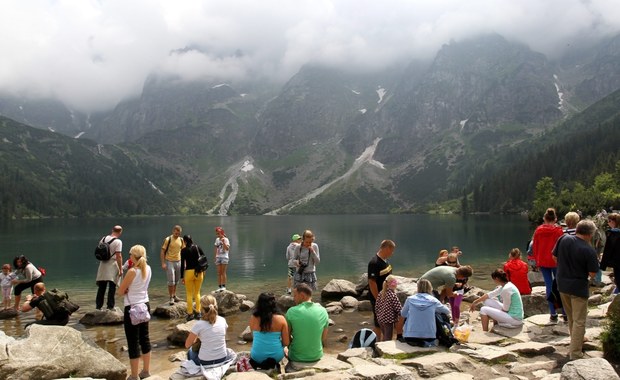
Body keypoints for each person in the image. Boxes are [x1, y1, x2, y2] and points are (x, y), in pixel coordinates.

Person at [553, 220, 600, 360]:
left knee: (571, 316)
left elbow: (554, 257)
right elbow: (592, 273)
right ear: (590, 234)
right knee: (579, 320)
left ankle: (577, 340)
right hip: (578, 287)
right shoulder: (589, 250)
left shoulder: (563, 239)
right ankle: (575, 353)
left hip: (562, 284)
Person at [118, 245, 152, 380]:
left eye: (130, 254)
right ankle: (146, 371)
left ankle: (134, 375)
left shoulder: (132, 271)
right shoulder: (148, 268)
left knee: (133, 341)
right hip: (145, 305)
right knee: (145, 338)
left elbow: (120, 291)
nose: (129, 256)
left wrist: (125, 290)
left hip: (132, 308)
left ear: (134, 256)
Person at [532, 207, 564, 322]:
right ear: (555, 219)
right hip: (556, 261)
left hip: (543, 261)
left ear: (544, 218)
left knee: (549, 285)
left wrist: (536, 260)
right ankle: (564, 313)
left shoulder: (538, 230)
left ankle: (553, 313)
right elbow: (561, 247)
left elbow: (534, 247)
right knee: (560, 285)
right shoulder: (559, 231)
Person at [285, 283, 329, 363]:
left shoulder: (292, 311)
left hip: (296, 357)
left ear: (302, 296)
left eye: (295, 295)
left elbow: (286, 338)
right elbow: (323, 337)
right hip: (317, 355)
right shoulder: (323, 311)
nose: (293, 299)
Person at [401, 279, 450, 347]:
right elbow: (447, 311)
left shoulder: (410, 299)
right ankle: (441, 336)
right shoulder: (434, 300)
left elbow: (403, 314)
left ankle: (410, 332)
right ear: (430, 288)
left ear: (418, 288)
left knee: (409, 313)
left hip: (410, 337)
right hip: (429, 337)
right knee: (440, 315)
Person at [185, 295, 230, 365]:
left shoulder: (199, 324)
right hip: (222, 358)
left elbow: (187, 345)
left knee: (190, 351)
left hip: (205, 361)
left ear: (202, 309)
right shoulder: (222, 320)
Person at [249, 292, 290, 369]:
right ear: (274, 303)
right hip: (276, 357)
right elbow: (286, 342)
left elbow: (254, 337)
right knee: (284, 348)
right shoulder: (281, 319)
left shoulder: (253, 318)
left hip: (256, 356)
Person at [367, 239, 395, 339]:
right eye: (392, 250)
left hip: (388, 297)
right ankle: (378, 343)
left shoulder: (386, 261)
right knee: (378, 322)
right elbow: (372, 282)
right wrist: (378, 298)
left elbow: (389, 277)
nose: (392, 253)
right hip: (379, 298)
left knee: (387, 321)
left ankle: (385, 341)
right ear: (387, 248)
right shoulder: (374, 263)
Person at [96, 225, 123, 311]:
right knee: (112, 287)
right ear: (120, 232)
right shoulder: (118, 242)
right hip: (112, 264)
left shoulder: (103, 239)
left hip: (103, 264)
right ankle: (110, 306)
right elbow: (119, 256)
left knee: (101, 287)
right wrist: (121, 269)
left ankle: (98, 306)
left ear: (112, 230)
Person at [180, 235, 205, 321]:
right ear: (192, 240)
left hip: (189, 273)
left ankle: (190, 314)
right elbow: (204, 258)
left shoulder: (183, 250)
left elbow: (183, 265)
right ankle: (198, 312)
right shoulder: (197, 247)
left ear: (184, 241)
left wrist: (182, 277)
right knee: (197, 293)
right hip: (199, 272)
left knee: (189, 294)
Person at [160, 225, 185, 304]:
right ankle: (171, 297)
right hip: (169, 261)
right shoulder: (168, 239)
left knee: (176, 280)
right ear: (173, 231)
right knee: (171, 281)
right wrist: (163, 263)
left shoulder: (181, 240)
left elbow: (183, 252)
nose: (177, 234)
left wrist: (184, 263)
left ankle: (174, 295)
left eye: (179, 233)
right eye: (176, 232)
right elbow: (162, 251)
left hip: (179, 261)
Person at [374, 274, 402, 341]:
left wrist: (378, 315)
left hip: (380, 319)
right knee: (388, 339)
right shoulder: (392, 295)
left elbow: (376, 307)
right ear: (391, 284)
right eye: (394, 282)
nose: (396, 284)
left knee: (384, 336)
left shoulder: (381, 293)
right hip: (388, 321)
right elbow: (398, 308)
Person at [601, 213, 620, 294]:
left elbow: (607, 250)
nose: (608, 223)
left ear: (614, 222)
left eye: (609, 221)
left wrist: (603, 265)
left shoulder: (612, 234)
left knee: (618, 280)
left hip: (616, 262)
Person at [214, 226, 230, 292]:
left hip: (224, 257)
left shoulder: (226, 239)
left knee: (223, 272)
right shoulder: (217, 239)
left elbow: (227, 249)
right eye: (217, 233)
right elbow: (216, 248)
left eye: (219, 233)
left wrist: (223, 242)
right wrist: (215, 256)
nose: (218, 235)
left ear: (222, 233)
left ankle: (223, 286)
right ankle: (219, 286)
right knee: (219, 273)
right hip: (218, 257)